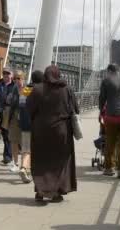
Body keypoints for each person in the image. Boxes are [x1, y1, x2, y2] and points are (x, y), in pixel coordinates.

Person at [27, 65, 78, 203]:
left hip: (40, 132)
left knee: (40, 161)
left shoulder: (37, 89)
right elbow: (75, 108)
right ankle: (55, 193)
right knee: (58, 163)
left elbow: (29, 108)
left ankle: (40, 190)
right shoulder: (66, 89)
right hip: (61, 131)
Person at [99, 64, 120, 178]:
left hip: (111, 117)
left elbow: (102, 98)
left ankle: (109, 168)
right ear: (118, 70)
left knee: (110, 142)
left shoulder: (106, 81)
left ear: (109, 71)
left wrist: (101, 111)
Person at [11, 70, 43, 183]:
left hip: (25, 124)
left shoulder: (26, 89)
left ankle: (24, 168)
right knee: (37, 149)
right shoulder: (41, 89)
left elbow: (21, 106)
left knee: (25, 149)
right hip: (38, 125)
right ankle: (34, 170)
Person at [0, 67, 16, 168]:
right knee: (3, 133)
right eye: (4, 73)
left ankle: (7, 156)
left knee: (7, 134)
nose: (6, 75)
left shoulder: (15, 85)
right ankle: (6, 153)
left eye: (8, 73)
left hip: (9, 112)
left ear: (11, 75)